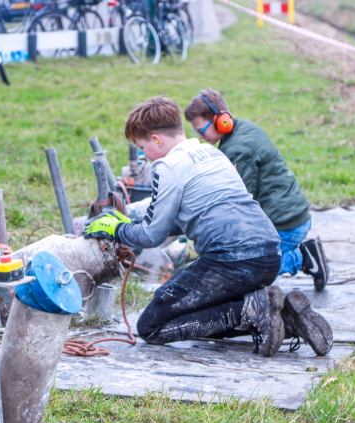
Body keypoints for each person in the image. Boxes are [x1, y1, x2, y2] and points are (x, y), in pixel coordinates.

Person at [84, 97, 332, 357]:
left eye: (142, 147)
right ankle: (286, 319)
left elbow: (152, 235)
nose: (144, 155)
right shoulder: (214, 154)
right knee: (205, 316)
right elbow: (187, 219)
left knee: (151, 326)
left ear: (156, 140)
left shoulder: (166, 166)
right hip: (270, 254)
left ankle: (249, 309)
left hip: (231, 260)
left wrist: (117, 229)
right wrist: (132, 223)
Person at [184, 89, 330, 292]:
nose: (200, 136)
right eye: (196, 131)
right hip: (291, 216)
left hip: (285, 225)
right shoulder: (243, 127)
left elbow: (239, 202)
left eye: (202, 130)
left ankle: (304, 258)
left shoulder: (238, 149)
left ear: (222, 122)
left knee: (246, 270)